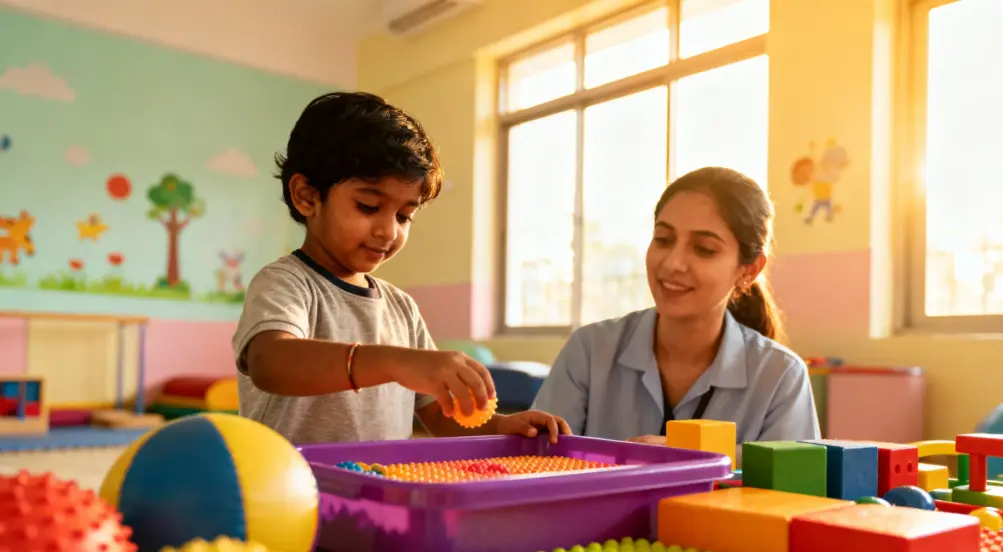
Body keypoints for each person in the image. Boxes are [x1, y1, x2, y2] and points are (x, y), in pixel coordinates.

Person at [232, 91, 570, 445]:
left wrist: (501, 425)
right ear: (307, 196)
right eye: (368, 206)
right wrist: (396, 363)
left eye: (404, 216)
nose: (388, 231)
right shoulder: (287, 283)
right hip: (291, 493)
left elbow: (439, 416)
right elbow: (271, 363)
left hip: (378, 491)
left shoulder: (401, 308)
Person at [531, 166, 819, 449]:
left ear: (749, 270)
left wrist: (712, 458)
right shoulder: (590, 351)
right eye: (664, 240)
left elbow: (794, 485)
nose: (672, 264)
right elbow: (536, 465)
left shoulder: (780, 375)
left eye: (704, 249)